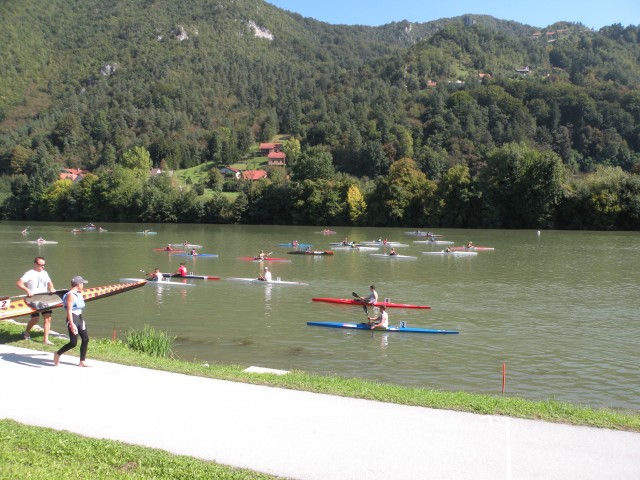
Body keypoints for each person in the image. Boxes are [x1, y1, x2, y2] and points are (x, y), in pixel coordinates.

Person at [16, 256, 56, 345]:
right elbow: (19, 283)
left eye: (44, 265)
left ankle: (46, 340)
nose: (43, 267)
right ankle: (26, 332)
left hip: (45, 299)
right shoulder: (30, 273)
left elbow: (49, 283)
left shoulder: (45, 273)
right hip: (33, 299)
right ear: (35, 264)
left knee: (48, 318)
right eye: (40, 265)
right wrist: (27, 290)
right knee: (35, 319)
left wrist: (52, 288)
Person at [54, 276, 90, 367]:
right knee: (73, 343)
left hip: (79, 318)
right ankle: (58, 353)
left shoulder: (78, 293)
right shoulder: (70, 295)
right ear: (78, 284)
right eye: (82, 283)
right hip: (72, 319)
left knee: (85, 339)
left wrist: (82, 321)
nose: (83, 285)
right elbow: (69, 311)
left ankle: (82, 361)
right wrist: (72, 324)